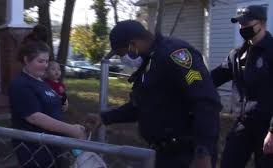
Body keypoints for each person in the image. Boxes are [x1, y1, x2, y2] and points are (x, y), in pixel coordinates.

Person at [86, 20, 222, 168]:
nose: (122, 59)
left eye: (121, 53)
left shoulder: (176, 55)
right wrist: (104, 118)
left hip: (187, 154)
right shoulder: (149, 62)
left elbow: (206, 101)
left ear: (133, 45)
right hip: (163, 153)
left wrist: (203, 152)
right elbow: (142, 106)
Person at [211, 5, 273, 168]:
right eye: (240, 23)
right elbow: (212, 78)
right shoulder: (237, 55)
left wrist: (272, 132)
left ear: (261, 23)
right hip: (242, 124)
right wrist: (188, 78)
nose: (242, 27)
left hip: (267, 127)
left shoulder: (271, 52)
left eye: (246, 23)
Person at [9, 41, 86, 167]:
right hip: (35, 150)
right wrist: (71, 129)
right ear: (27, 60)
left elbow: (50, 103)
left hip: (54, 146)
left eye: (46, 61)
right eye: (40, 61)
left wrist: (61, 102)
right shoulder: (20, 84)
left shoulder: (42, 81)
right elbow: (35, 117)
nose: (45, 65)